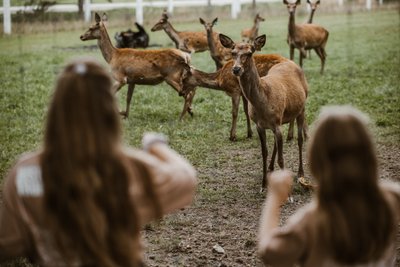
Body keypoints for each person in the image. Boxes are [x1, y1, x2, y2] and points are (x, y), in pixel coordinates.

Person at [0, 58, 197, 267]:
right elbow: (185, 177)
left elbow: (7, 244)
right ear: (110, 112)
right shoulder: (129, 168)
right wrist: (155, 145)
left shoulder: (25, 172)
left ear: (56, 110)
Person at [258, 106, 400, 266]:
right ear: (369, 154)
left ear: (316, 161)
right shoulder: (390, 200)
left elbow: (269, 252)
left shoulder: (310, 223)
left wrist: (274, 198)